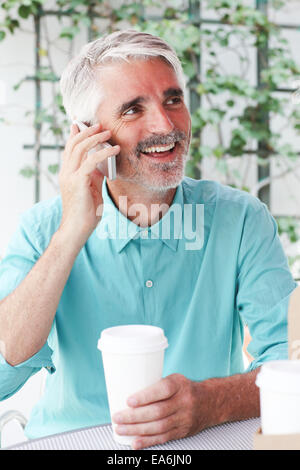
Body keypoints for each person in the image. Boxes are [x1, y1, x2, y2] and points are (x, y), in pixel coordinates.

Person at [0, 29, 296, 450]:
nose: (165, 125)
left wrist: (212, 402)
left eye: (172, 99)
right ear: (88, 135)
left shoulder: (241, 220)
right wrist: (71, 233)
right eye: (133, 109)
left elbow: (292, 365)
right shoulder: (42, 230)